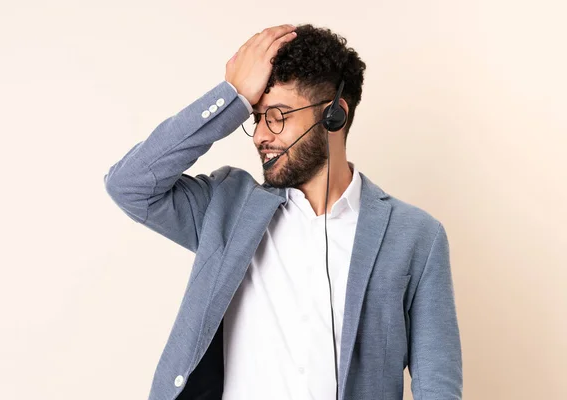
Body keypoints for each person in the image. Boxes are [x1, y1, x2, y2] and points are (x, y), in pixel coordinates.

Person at [104, 23, 462, 400]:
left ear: (333, 117)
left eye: (277, 116)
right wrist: (233, 98)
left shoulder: (415, 236)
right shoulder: (226, 207)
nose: (260, 135)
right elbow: (129, 185)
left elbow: (437, 384)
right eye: (256, 118)